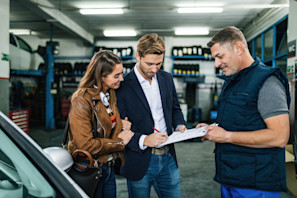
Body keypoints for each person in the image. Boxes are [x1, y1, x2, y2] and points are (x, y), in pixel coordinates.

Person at [196, 26, 290, 198]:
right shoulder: (232, 82)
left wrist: (226, 136)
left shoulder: (267, 82)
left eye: (219, 56)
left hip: (257, 182)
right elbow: (238, 122)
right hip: (231, 176)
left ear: (238, 48)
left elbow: (279, 137)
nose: (217, 64)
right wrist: (210, 129)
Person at [116, 33, 187, 198]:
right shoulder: (123, 85)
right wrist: (145, 140)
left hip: (168, 157)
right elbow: (119, 129)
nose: (154, 69)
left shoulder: (166, 78)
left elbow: (175, 108)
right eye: (149, 64)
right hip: (138, 160)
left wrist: (179, 124)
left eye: (158, 64)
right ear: (137, 56)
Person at [68, 50, 134, 197]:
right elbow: (85, 144)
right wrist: (120, 143)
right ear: (101, 77)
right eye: (116, 76)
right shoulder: (81, 100)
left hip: (108, 168)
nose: (121, 79)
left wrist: (119, 124)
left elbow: (103, 122)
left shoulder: (109, 94)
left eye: (121, 74)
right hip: (90, 168)